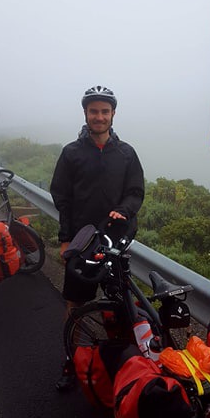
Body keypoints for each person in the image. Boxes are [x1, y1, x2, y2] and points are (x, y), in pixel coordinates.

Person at [50, 85, 145, 389]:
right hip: (82, 242)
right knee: (75, 305)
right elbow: (61, 197)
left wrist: (123, 210)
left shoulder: (126, 153)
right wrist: (65, 238)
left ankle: (121, 364)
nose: (99, 117)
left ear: (113, 114)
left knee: (119, 303)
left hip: (116, 241)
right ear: (86, 114)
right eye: (94, 111)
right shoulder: (72, 153)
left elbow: (135, 191)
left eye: (105, 111)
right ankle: (70, 359)